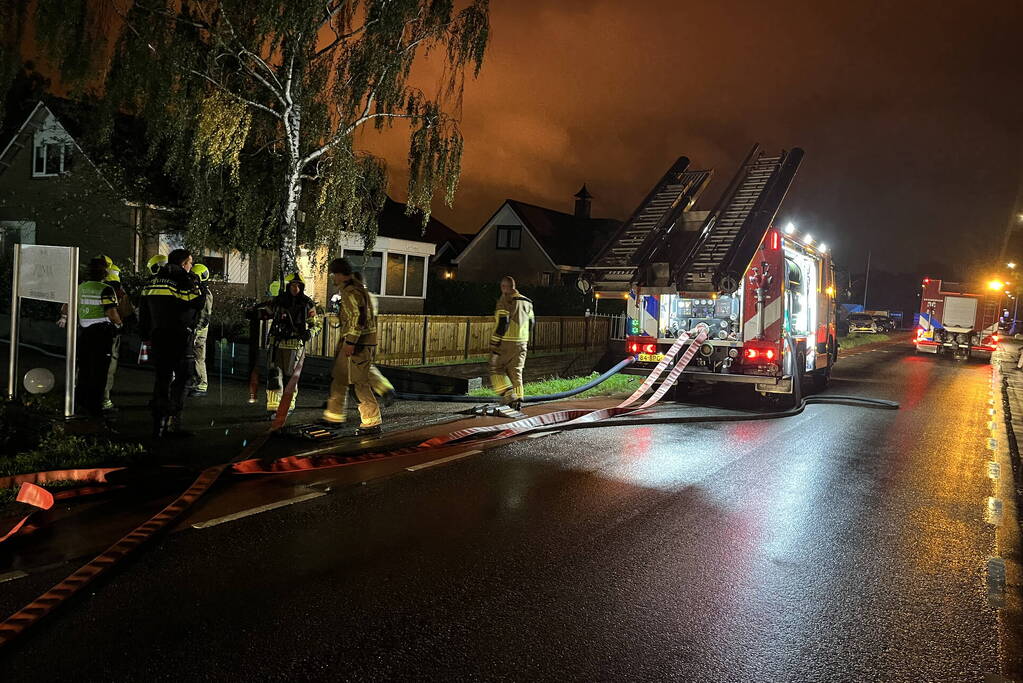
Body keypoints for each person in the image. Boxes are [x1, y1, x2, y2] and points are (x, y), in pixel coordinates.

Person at [139, 248, 205, 438]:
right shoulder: (183, 280)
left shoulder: (152, 281)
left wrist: (145, 334)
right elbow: (196, 303)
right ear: (184, 263)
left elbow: (143, 311)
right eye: (190, 262)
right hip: (178, 337)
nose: (191, 266)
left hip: (158, 337)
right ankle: (173, 418)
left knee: (162, 379)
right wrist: (197, 286)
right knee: (185, 376)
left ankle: (158, 425)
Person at [322, 258, 382, 435]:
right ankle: (334, 416)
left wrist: (350, 343)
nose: (332, 278)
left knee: (359, 383)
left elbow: (359, 318)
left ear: (340, 274)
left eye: (333, 274)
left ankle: (372, 422)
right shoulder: (355, 289)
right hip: (355, 343)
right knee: (339, 378)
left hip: (358, 345)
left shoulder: (350, 291)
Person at [252, 273, 319, 418]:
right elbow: (266, 313)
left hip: (294, 345)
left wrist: (310, 333)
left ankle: (287, 405)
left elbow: (316, 325)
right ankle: (273, 406)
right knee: (274, 375)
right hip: (276, 343)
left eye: (298, 285)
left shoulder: (307, 303)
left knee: (291, 377)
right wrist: (254, 313)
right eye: (293, 285)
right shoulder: (279, 301)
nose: (295, 288)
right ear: (287, 286)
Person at [75, 257, 122, 420]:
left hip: (84, 333)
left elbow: (66, 308)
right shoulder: (106, 289)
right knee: (100, 372)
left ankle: (80, 404)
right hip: (102, 334)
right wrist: (119, 325)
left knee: (84, 370)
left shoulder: (79, 288)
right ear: (104, 273)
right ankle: (95, 409)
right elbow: (111, 312)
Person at [488, 275, 534, 410]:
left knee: (495, 368)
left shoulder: (505, 300)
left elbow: (503, 323)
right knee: (516, 371)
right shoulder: (527, 301)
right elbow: (532, 323)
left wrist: (494, 342)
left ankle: (508, 394)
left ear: (504, 287)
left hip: (507, 342)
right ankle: (518, 399)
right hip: (522, 342)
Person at [100, 257, 134, 413]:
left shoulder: (85, 286)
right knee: (108, 366)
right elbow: (122, 311)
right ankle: (104, 399)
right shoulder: (117, 288)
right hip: (111, 332)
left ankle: (81, 395)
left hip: (88, 332)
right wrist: (120, 324)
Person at [188, 263, 213, 397]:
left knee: (198, 357)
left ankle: (201, 385)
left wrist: (196, 331)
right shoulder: (197, 291)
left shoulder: (205, 294)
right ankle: (196, 382)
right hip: (195, 329)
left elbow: (204, 316)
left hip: (199, 331)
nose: (192, 279)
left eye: (194, 277)